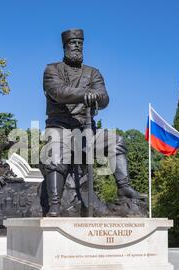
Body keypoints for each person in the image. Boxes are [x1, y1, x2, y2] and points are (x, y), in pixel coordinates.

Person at [41, 29, 145, 217]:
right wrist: (85, 94)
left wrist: (97, 96)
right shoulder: (52, 69)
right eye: (73, 43)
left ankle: (124, 187)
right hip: (60, 127)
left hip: (86, 131)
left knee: (116, 140)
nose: (77, 46)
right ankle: (54, 204)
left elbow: (104, 98)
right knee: (55, 154)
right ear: (65, 46)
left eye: (80, 43)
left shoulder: (93, 72)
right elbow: (58, 92)